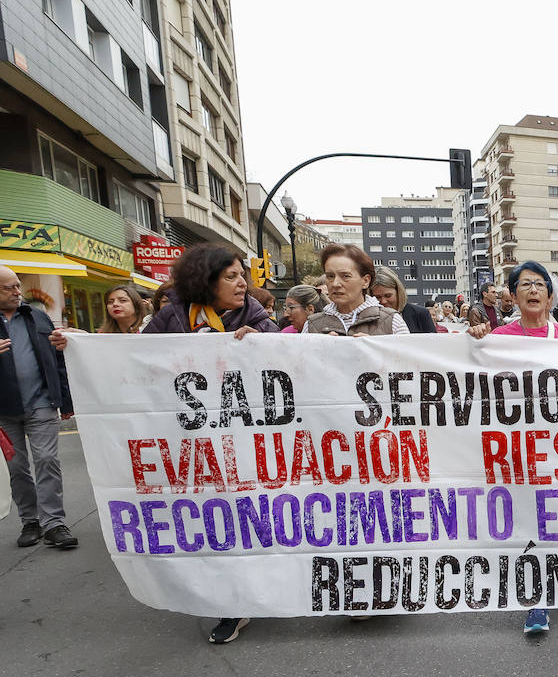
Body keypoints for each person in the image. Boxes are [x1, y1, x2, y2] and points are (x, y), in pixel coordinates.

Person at [142, 246, 278, 642]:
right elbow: (135, 356)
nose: (243, 283)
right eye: (232, 276)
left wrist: (264, 341)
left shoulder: (253, 312)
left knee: (252, 514)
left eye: (243, 275)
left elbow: (289, 357)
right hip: (196, 439)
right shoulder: (172, 316)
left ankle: (268, 587)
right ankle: (231, 606)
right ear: (207, 280)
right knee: (216, 519)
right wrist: (83, 346)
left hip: (249, 438)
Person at [473, 261, 558, 634]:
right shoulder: (498, 335)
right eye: (525, 284)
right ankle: (536, 600)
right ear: (513, 294)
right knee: (528, 517)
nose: (534, 290)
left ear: (551, 294)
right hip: (518, 445)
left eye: (541, 284)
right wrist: (474, 338)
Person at [0, 265, 77, 550]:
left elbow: (56, 358)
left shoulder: (37, 315)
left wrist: (66, 400)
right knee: (17, 467)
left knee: (47, 460)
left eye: (17, 285)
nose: (17, 292)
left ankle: (53, 523)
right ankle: (30, 521)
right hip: (4, 411)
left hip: (42, 403)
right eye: (8, 287)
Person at [302, 244, 408, 336]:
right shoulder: (312, 325)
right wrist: (320, 350)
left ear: (366, 281)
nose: (335, 284)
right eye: (330, 276)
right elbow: (300, 359)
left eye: (345, 276)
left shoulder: (392, 321)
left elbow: (407, 358)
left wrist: (375, 350)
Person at [372, 265, 436, 334]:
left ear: (398, 292)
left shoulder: (421, 314)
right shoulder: (366, 318)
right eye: (377, 297)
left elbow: (433, 343)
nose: (383, 301)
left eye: (388, 296)